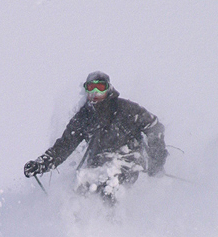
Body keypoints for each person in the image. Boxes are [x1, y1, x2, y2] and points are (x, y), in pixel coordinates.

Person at [24, 71, 167, 201]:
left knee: (109, 189)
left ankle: (115, 219)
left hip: (127, 158)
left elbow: (153, 126)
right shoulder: (84, 117)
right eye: (91, 88)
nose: (95, 93)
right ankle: (79, 219)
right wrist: (41, 164)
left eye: (100, 87)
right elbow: (65, 145)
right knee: (81, 191)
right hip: (98, 163)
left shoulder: (125, 109)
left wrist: (156, 156)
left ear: (108, 89)